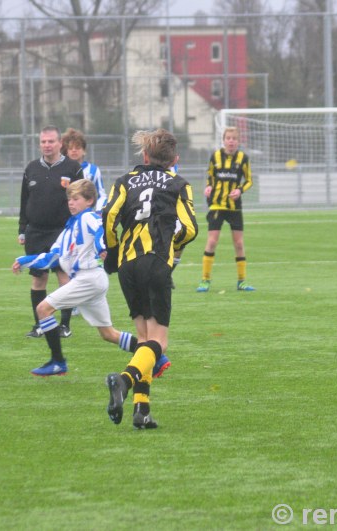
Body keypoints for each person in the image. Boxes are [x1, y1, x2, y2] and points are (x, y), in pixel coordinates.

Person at [102, 128, 198, 429]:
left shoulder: (124, 181)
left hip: (129, 266)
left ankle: (141, 410)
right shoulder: (178, 183)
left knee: (144, 341)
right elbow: (191, 228)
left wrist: (115, 252)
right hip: (156, 262)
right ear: (175, 160)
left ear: (144, 156)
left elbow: (109, 217)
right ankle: (124, 380)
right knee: (160, 342)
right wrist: (175, 247)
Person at [13, 180, 139, 376]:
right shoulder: (68, 229)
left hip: (88, 278)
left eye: (76, 199)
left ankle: (58, 361)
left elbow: (101, 231)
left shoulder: (88, 217)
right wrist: (24, 260)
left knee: (43, 309)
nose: (71, 203)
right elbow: (51, 257)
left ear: (89, 201)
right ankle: (155, 355)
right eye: (69, 199)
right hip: (90, 281)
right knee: (108, 334)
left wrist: (102, 247)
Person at [19, 125, 83, 340]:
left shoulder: (73, 168)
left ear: (59, 144)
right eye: (43, 142)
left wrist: (78, 228)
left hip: (62, 232)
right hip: (35, 232)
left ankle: (64, 325)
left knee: (64, 279)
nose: (47, 145)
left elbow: (81, 201)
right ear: (40, 144)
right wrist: (22, 230)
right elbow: (24, 201)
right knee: (39, 280)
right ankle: (40, 325)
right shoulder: (31, 168)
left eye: (51, 141)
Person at [196, 126, 256, 293]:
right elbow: (210, 177)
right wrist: (208, 187)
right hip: (216, 204)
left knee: (238, 243)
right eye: (228, 138)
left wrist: (240, 190)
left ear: (238, 141)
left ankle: (242, 281)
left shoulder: (243, 158)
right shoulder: (215, 156)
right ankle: (205, 280)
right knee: (212, 241)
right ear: (223, 140)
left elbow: (249, 180)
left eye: (234, 138)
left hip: (234, 207)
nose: (231, 141)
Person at [61, 128, 107, 212]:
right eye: (71, 148)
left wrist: (99, 211)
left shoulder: (93, 170)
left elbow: (101, 195)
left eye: (77, 148)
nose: (74, 150)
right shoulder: (62, 169)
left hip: (87, 215)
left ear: (84, 151)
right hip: (65, 215)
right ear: (67, 151)